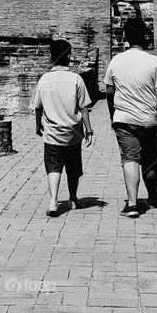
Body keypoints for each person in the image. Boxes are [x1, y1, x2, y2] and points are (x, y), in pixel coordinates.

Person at [104, 18, 157, 219]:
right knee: (150, 160)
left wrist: (112, 113)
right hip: (149, 119)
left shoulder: (116, 61)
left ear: (126, 37)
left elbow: (109, 91)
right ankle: (152, 196)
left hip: (124, 119)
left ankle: (132, 204)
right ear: (145, 37)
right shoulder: (154, 61)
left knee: (130, 158)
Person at [34, 39, 93, 216]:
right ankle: (73, 198)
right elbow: (84, 107)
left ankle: (53, 202)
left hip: (52, 133)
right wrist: (88, 129)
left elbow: (38, 106)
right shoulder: (76, 79)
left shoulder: (44, 79)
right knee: (73, 169)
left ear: (51, 57)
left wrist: (38, 125)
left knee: (54, 166)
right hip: (73, 133)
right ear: (68, 56)